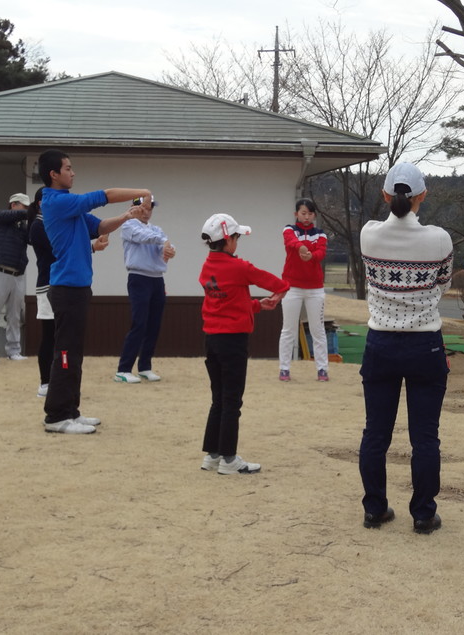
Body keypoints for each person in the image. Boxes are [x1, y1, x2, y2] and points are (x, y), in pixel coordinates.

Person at [358, 162, 453, 534]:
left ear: (386, 195)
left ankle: (375, 509)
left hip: (379, 341)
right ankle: (424, 514)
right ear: (422, 196)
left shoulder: (369, 234)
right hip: (424, 342)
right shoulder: (439, 239)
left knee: (375, 434)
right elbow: (442, 283)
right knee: (425, 437)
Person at [38, 149, 153, 435]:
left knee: (73, 353)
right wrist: (141, 191)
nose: (72, 172)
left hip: (76, 288)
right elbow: (104, 194)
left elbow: (101, 226)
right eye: (67, 168)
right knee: (65, 353)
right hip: (66, 288)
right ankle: (55, 416)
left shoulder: (71, 209)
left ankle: (71, 412)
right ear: (54, 174)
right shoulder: (56, 201)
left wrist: (127, 215)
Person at [198, 213, 289, 475]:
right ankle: (229, 459)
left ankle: (213, 454)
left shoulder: (207, 266)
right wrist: (280, 292)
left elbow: (226, 300)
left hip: (212, 339)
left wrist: (257, 305)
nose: (237, 242)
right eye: (236, 237)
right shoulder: (239, 267)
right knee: (232, 400)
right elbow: (276, 282)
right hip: (233, 340)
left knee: (218, 399)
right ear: (227, 240)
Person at [27, 187, 109, 398]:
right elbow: (59, 251)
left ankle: (58, 383)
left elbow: (75, 244)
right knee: (50, 336)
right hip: (49, 284)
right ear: (40, 204)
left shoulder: (59, 220)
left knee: (63, 339)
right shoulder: (38, 226)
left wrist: (94, 246)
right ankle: (45, 382)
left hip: (64, 285)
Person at [114, 199, 176, 383]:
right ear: (134, 207)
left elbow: (163, 244)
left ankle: (145, 366)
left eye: (149, 209)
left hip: (157, 278)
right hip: (139, 277)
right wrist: (165, 242)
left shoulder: (156, 229)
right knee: (139, 323)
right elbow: (143, 237)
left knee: (154, 324)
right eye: (144, 208)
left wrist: (170, 250)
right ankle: (123, 369)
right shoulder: (127, 225)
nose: (147, 212)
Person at [277, 198, 329, 382]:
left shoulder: (321, 234)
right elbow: (290, 241)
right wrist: (301, 247)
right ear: (296, 214)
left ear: (314, 215)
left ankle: (322, 369)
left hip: (315, 289)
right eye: (303, 213)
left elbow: (321, 253)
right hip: (291, 287)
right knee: (288, 329)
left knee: (318, 330)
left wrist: (311, 256)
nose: (306, 217)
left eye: (310, 213)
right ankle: (284, 369)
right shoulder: (289, 229)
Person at [0, 193, 30, 365]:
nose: (26, 210)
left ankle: (14, 350)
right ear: (13, 205)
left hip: (18, 274)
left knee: (15, 315)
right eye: (24, 206)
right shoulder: (0, 217)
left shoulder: (23, 227)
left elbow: (32, 239)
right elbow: (14, 215)